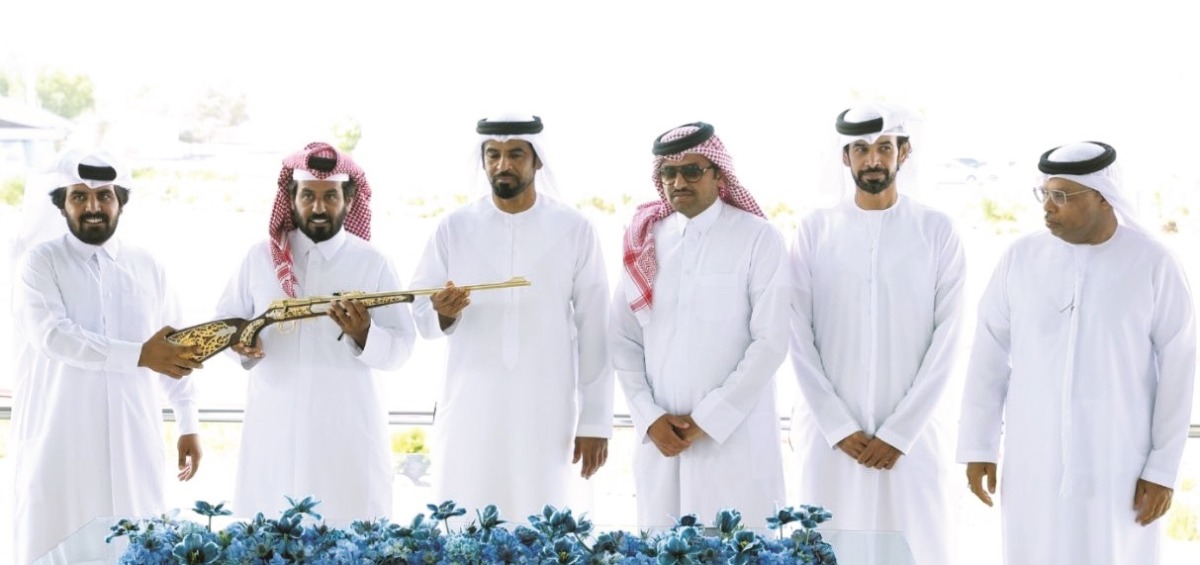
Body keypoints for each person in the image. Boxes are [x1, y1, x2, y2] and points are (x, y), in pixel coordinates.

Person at [958, 141, 1196, 564]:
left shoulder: (1153, 264)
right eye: (1045, 194)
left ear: (1104, 197)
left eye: (1062, 196)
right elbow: (989, 353)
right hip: (1033, 461)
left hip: (1119, 465)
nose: (1048, 207)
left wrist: (1162, 469)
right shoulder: (1021, 258)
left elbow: (1179, 369)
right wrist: (979, 446)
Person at [410, 115, 612, 520]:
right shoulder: (454, 227)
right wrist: (443, 314)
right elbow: (420, 310)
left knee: (545, 512)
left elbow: (596, 330)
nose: (503, 164)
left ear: (537, 160)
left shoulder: (575, 229)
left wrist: (595, 422)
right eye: (494, 155)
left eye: (516, 154)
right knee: (466, 513)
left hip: (547, 405)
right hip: (471, 404)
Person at [788, 105, 964, 564]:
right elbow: (796, 333)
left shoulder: (936, 230)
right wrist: (836, 425)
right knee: (829, 545)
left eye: (885, 147)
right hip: (831, 439)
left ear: (904, 153)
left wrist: (901, 432)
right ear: (844, 157)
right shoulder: (815, 229)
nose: (873, 160)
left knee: (916, 547)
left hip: (913, 440)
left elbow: (948, 337)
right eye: (861, 149)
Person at [11, 149, 202, 564]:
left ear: (121, 202)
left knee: (137, 546)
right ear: (62, 204)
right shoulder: (40, 263)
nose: (93, 207)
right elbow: (54, 336)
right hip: (62, 441)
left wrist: (188, 421)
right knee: (60, 545)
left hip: (135, 440)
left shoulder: (148, 266)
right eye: (79, 196)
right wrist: (140, 355)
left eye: (105, 196)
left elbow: (177, 347)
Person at [215, 142, 416, 522]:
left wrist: (364, 334)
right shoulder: (259, 258)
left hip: (345, 432)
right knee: (270, 535)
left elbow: (402, 347)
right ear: (292, 199)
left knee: (348, 531)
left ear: (349, 200)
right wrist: (241, 341)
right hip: (274, 427)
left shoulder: (372, 263)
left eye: (330, 196)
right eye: (308, 196)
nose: (319, 207)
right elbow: (225, 323)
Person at [611, 122, 789, 529]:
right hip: (661, 441)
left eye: (692, 171)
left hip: (734, 440)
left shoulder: (758, 238)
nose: (679, 182)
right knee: (662, 546)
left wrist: (709, 418)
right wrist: (648, 415)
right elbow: (622, 338)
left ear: (719, 174)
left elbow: (771, 342)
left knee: (737, 546)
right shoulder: (644, 239)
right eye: (669, 173)